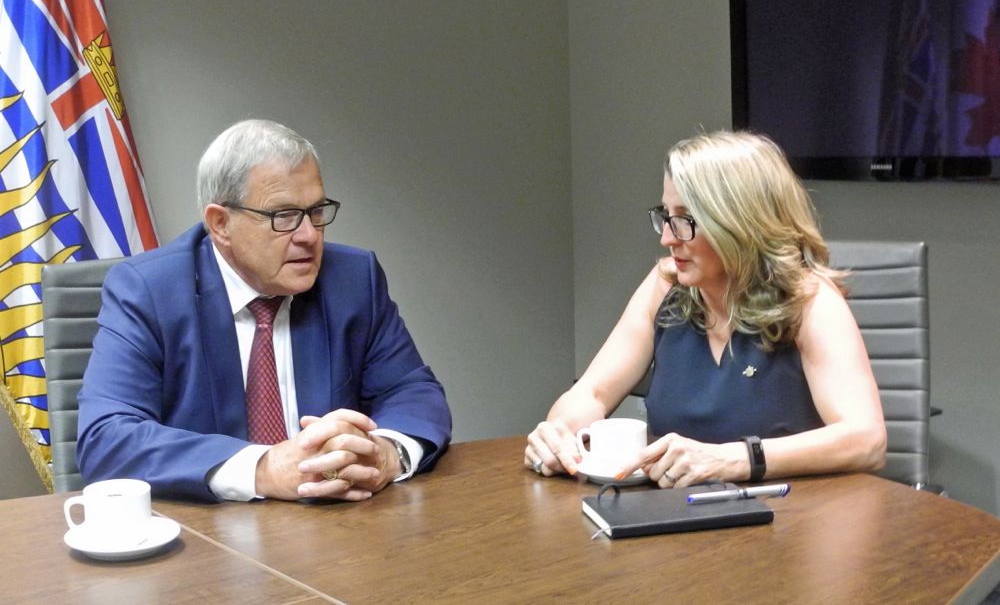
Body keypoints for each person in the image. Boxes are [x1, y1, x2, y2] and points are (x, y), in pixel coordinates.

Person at [77, 119, 451, 502]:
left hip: (338, 527)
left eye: (317, 211)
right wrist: (264, 469)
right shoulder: (149, 291)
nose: (308, 235)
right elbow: (107, 438)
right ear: (220, 224)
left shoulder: (353, 280)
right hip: (206, 539)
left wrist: (387, 454)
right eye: (283, 216)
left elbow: (412, 391)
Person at [524, 130, 886, 488]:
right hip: (677, 520)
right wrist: (559, 434)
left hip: (787, 522)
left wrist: (734, 459)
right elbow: (592, 393)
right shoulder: (666, 286)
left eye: (685, 220)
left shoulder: (810, 301)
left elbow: (865, 440)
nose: (667, 238)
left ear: (740, 224)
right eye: (665, 216)